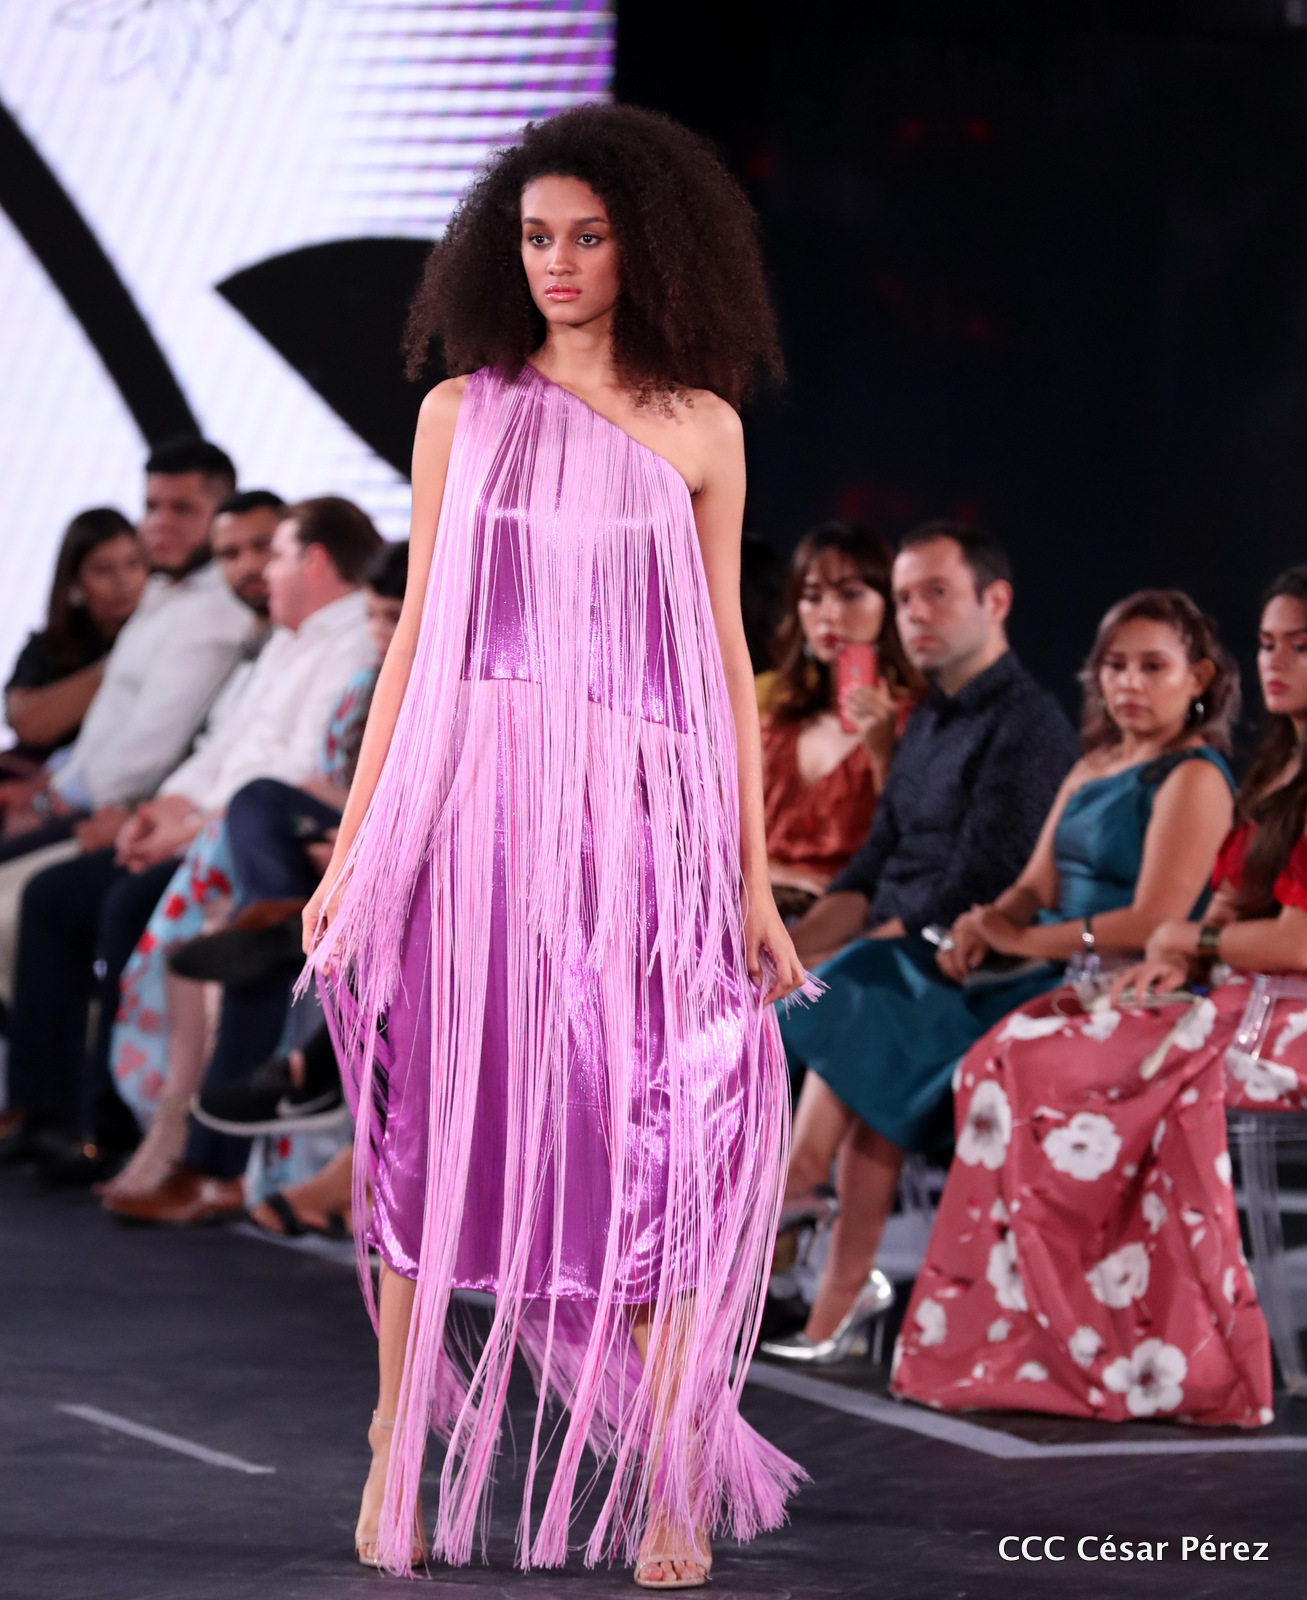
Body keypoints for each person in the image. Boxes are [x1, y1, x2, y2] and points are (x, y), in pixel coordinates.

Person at [302, 105, 807, 1582]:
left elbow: (724, 661)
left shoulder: (701, 425)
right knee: (436, 1126)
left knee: (638, 1133)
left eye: (588, 235)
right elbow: (416, 645)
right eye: (535, 237)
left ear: (648, 247)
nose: (560, 262)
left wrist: (752, 878)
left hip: (639, 821)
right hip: (478, 812)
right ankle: (396, 1437)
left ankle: (670, 1480)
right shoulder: (459, 412)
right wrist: (351, 847)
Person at [764, 588, 1239, 1363]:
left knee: (885, 1035)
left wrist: (1020, 936)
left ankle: (813, 1238)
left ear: (1199, 678)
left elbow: (1151, 921)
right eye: (1114, 665)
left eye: (1152, 667)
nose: (1127, 682)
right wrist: (984, 923)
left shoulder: (1192, 777)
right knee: (874, 987)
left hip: (1108, 982)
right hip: (1031, 960)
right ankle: (810, 1210)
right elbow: (1031, 883)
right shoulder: (1093, 764)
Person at [890, 571, 1307, 1428]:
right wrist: (1180, 953)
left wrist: (1183, 942)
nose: (1275, 661)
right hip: (1230, 992)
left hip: (1283, 1017)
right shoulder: (1275, 769)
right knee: (1006, 1051)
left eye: (1299, 647)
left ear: (1196, 679)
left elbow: (1293, 943)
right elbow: (1231, 906)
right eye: (1268, 643)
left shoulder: (1197, 774)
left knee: (1044, 1063)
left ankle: (1128, 1347)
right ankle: (1031, 1335)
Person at [763, 524, 1079, 1354]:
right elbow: (870, 868)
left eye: (936, 593)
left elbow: (984, 879)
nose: (914, 615)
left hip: (976, 963)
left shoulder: (1029, 723)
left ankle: (793, 1204)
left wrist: (844, 952)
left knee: (861, 987)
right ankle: (829, 1277)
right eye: (903, 598)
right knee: (832, 1000)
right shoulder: (928, 720)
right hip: (898, 961)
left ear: (994, 600)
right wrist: (791, 946)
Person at [101, 539, 407, 1208]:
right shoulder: (365, 680)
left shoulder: (423, 685)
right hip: (342, 845)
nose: (381, 632)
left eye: (393, 616)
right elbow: (328, 781)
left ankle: (210, 1165)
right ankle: (272, 912)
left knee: (254, 920)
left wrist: (348, 848)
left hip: (392, 860)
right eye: (375, 616)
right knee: (256, 817)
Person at [0, 492, 282, 1172]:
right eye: (233, 553)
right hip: (163, 813)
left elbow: (242, 768)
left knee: (50, 901)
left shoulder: (227, 622)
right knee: (42, 897)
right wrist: (158, 813)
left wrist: (150, 816)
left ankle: (94, 1120)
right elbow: (209, 753)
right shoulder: (210, 617)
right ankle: (53, 1107)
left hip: (209, 827)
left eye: (263, 550)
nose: (248, 566)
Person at [0, 437, 251, 866]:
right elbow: (105, 720)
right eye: (152, 507)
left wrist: (53, 798)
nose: (160, 523)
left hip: (103, 812)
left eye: (182, 509)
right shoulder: (160, 590)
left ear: (223, 514)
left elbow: (148, 750)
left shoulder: (215, 612)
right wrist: (51, 786)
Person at [759, 521, 921, 920]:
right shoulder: (777, 723)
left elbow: (918, 849)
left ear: (888, 604)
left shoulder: (919, 721)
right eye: (812, 597)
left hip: (853, 917)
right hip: (760, 905)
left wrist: (882, 755)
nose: (829, 614)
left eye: (850, 595)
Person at [2, 508, 148, 776]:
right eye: (103, 571)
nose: (123, 582)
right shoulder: (48, 645)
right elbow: (28, 724)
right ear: (75, 581)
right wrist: (118, 666)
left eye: (133, 564)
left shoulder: (163, 634)